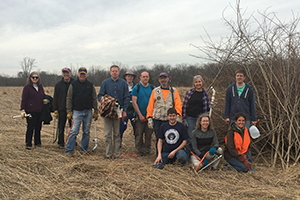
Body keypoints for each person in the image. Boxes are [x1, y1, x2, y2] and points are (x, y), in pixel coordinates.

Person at [97, 65, 130, 159]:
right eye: (113, 71)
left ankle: (116, 154)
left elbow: (126, 97)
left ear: (119, 72)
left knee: (117, 134)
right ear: (110, 72)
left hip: (118, 111)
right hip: (107, 111)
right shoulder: (105, 83)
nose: (114, 72)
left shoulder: (123, 83)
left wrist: (124, 110)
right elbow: (100, 96)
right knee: (107, 134)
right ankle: (108, 154)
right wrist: (106, 102)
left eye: (116, 71)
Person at [65, 67, 98, 155]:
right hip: (76, 111)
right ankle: (69, 150)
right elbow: (69, 98)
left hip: (88, 111)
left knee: (86, 131)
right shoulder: (73, 85)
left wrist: (96, 111)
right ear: (78, 74)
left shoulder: (90, 85)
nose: (82, 75)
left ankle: (83, 149)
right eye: (81, 74)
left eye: (84, 74)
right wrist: (69, 111)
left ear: (86, 75)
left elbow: (94, 98)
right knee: (74, 131)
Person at [146, 72, 182, 153]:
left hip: (169, 119)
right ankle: (159, 155)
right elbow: (150, 105)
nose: (163, 80)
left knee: (169, 138)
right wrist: (149, 117)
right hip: (157, 119)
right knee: (159, 138)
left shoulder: (174, 91)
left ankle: (168, 155)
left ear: (168, 79)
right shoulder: (155, 91)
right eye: (161, 78)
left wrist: (178, 115)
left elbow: (178, 104)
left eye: (165, 78)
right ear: (159, 80)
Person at [131, 71, 155, 156]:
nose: (145, 78)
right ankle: (140, 151)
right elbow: (134, 102)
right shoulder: (136, 88)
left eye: (147, 76)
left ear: (149, 77)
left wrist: (151, 115)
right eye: (143, 77)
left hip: (150, 116)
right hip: (139, 116)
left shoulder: (153, 88)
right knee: (139, 134)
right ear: (140, 78)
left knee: (149, 135)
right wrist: (140, 115)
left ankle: (147, 151)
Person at [20, 72, 45, 150]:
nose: (35, 79)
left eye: (36, 77)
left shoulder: (40, 87)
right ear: (30, 78)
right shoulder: (27, 88)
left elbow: (43, 96)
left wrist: (46, 100)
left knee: (38, 128)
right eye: (33, 77)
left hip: (39, 111)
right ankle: (28, 143)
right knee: (30, 127)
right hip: (30, 111)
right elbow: (24, 99)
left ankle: (37, 142)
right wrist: (23, 110)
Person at [52, 67, 74, 148]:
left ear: (70, 74)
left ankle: (72, 142)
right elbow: (55, 97)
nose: (66, 74)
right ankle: (60, 143)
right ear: (62, 74)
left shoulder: (74, 83)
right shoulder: (58, 85)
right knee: (61, 127)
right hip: (61, 109)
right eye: (64, 73)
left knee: (73, 128)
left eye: (67, 73)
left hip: (72, 109)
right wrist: (55, 109)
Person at [119, 70, 136, 148]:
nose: (130, 77)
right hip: (123, 111)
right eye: (128, 76)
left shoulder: (136, 87)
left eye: (131, 76)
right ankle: (118, 145)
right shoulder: (121, 86)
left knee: (136, 130)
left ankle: (137, 147)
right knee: (121, 128)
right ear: (125, 77)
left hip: (133, 111)